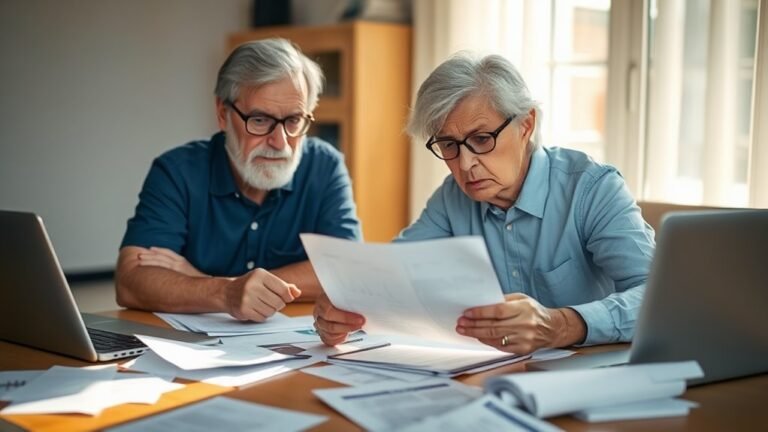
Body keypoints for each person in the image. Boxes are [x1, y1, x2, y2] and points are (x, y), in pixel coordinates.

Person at [313, 52, 655, 354]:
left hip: (594, 372)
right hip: (496, 375)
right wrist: (346, 304)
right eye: (448, 145)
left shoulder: (592, 188)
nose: (464, 164)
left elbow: (657, 297)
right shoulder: (452, 197)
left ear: (526, 125)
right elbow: (393, 273)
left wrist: (560, 324)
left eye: (481, 139)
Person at [116, 38, 361, 322]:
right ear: (223, 114)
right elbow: (130, 282)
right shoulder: (176, 171)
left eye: (293, 120)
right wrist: (227, 293)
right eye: (259, 120)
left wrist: (215, 282)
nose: (279, 141)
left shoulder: (325, 165)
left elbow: (348, 271)